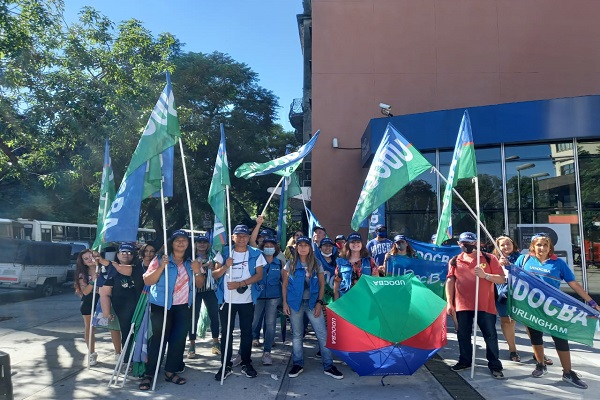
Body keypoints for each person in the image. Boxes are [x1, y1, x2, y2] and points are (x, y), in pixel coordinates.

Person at [515, 233, 600, 389]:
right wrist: (504, 264)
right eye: (538, 244)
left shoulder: (558, 263)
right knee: (535, 336)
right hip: (532, 306)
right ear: (533, 246)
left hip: (554, 307)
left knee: (560, 337)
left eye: (545, 245)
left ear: (550, 247)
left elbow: (574, 285)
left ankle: (568, 372)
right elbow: (511, 275)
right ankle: (540, 365)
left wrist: (592, 302)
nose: (542, 248)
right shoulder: (523, 259)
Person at [138, 230, 204, 390]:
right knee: (158, 340)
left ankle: (170, 371)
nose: (181, 243)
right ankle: (149, 374)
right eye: (177, 240)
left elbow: (200, 285)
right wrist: (161, 267)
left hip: (183, 307)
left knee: (178, 340)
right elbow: (147, 280)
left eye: (184, 240)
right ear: (171, 243)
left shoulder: (192, 262)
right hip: (161, 306)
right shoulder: (160, 259)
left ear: (189, 244)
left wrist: (197, 270)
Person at [282, 236, 344, 379]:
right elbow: (285, 285)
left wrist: (319, 302)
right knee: (297, 335)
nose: (303, 247)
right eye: (300, 245)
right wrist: (285, 303)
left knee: (322, 334)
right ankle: (297, 363)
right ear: (296, 248)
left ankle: (329, 365)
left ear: (310, 248)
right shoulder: (290, 264)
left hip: (312, 303)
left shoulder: (316, 264)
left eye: (306, 245)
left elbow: (322, 284)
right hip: (294, 304)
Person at [446, 232, 506, 379]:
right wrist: (449, 302)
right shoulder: (455, 260)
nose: (467, 246)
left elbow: (501, 279)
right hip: (463, 305)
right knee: (463, 334)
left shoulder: (488, 258)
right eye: (464, 243)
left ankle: (494, 365)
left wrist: (485, 275)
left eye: (471, 243)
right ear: (459, 244)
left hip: (485, 305)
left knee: (490, 335)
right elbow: (450, 281)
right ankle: (464, 361)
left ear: (477, 243)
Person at [212, 224, 265, 381]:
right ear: (233, 237)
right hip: (227, 301)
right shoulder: (225, 252)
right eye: (238, 235)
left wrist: (240, 284)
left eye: (245, 236)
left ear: (249, 238)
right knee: (226, 334)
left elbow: (259, 276)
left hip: (247, 300)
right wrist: (225, 267)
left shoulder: (256, 253)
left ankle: (246, 363)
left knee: (246, 333)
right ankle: (225, 365)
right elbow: (215, 275)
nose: (242, 238)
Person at [187, 234, 220, 359]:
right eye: (199, 242)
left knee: (214, 316)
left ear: (208, 244)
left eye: (204, 242)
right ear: (195, 244)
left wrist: (214, 266)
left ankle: (216, 343)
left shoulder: (213, 256)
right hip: (195, 290)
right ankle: (192, 345)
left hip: (210, 290)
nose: (202, 244)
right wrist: (204, 266)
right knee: (193, 318)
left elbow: (219, 270)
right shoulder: (190, 257)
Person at [252, 237, 283, 365]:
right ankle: (243, 352)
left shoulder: (280, 263)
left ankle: (267, 352)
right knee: (253, 323)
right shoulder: (257, 260)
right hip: (258, 297)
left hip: (274, 297)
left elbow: (284, 281)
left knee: (270, 325)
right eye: (266, 245)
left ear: (275, 248)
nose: (269, 247)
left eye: (272, 245)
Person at [491, 236, 522, 363]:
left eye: (508, 244)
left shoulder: (521, 258)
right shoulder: (493, 259)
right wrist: (498, 264)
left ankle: (538, 351)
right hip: (501, 294)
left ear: (513, 244)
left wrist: (510, 265)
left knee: (526, 322)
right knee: (506, 321)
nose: (505, 247)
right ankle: (512, 350)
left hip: (519, 294)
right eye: (502, 245)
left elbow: (525, 274)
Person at [333, 232, 376, 300]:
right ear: (348, 244)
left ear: (361, 244)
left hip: (365, 299)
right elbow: (336, 285)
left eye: (358, 242)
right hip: (346, 300)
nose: (355, 244)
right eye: (352, 242)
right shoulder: (341, 262)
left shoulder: (369, 261)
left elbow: (375, 282)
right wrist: (337, 304)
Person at [74, 249, 99, 366]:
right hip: (88, 303)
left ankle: (118, 352)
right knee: (90, 328)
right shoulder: (82, 274)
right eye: (86, 258)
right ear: (83, 262)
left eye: (91, 256)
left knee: (112, 327)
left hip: (104, 301)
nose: (90, 260)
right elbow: (85, 292)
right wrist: (93, 280)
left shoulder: (104, 268)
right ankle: (92, 353)